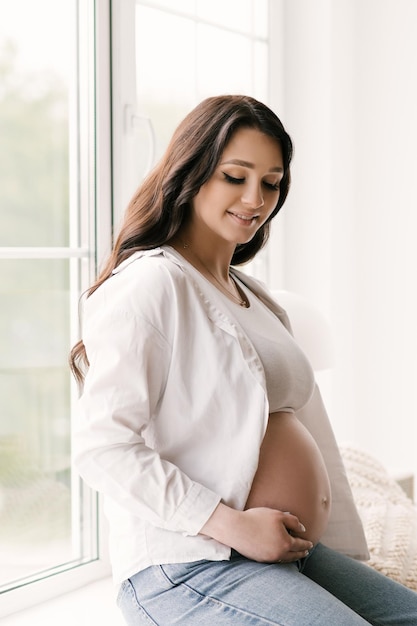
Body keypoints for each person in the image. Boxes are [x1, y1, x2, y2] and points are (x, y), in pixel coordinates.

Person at [70, 95, 417, 625]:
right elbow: (103, 448)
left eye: (271, 183)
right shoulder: (152, 283)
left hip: (286, 557)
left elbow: (306, 429)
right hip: (190, 563)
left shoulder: (252, 295)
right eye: (235, 176)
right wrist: (232, 525)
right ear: (191, 174)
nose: (255, 198)